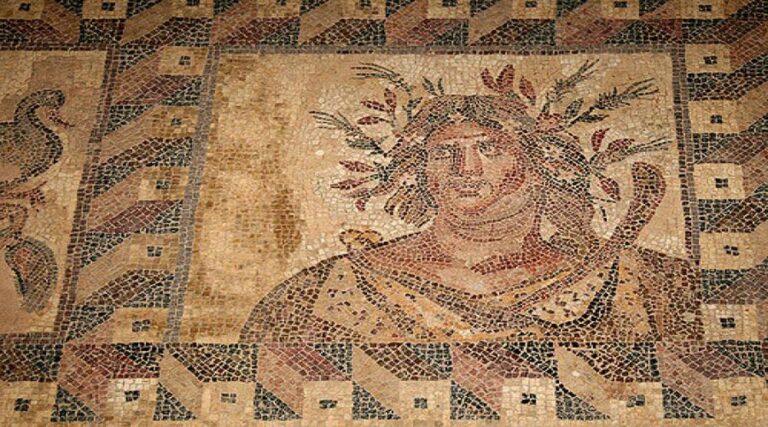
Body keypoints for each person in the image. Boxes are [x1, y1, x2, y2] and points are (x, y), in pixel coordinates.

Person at [240, 65, 701, 343]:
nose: (466, 168)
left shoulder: (649, 283)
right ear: (421, 173)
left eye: (490, 149)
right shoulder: (322, 292)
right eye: (445, 153)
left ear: (542, 167)